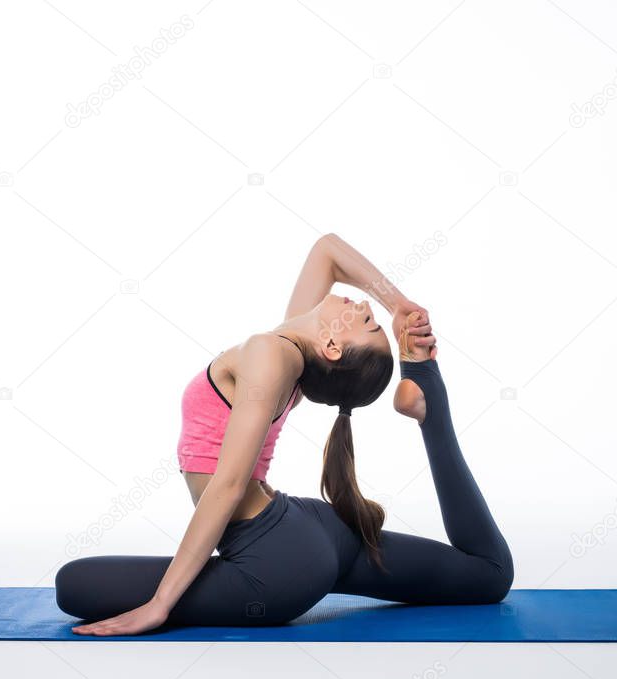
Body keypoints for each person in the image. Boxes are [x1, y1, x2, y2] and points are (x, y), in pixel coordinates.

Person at [55, 233, 514, 635]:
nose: (365, 306)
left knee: (73, 584)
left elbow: (230, 486)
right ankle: (427, 393)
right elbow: (328, 251)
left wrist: (161, 604)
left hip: (275, 564)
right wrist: (400, 307)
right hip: (313, 533)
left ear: (332, 346)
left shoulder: (271, 356)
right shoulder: (290, 353)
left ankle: (426, 391)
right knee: (488, 575)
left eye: (369, 323)